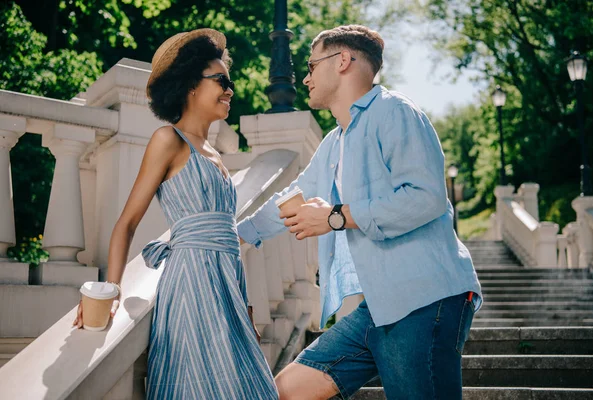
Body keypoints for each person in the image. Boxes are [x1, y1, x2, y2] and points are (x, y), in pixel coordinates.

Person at [237, 25, 483, 400]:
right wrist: (235, 235)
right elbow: (294, 197)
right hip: (377, 309)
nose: (305, 77)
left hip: (423, 299)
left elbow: (426, 197)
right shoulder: (336, 141)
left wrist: (337, 216)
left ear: (343, 61)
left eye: (311, 64)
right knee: (283, 393)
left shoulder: (394, 111)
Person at [73, 29, 279, 399]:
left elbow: (227, 240)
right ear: (190, 86)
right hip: (190, 285)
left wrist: (243, 304)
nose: (229, 89)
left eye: (228, 81)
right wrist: (112, 291)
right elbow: (126, 224)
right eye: (220, 80)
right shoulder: (168, 140)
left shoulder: (216, 157)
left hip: (227, 288)